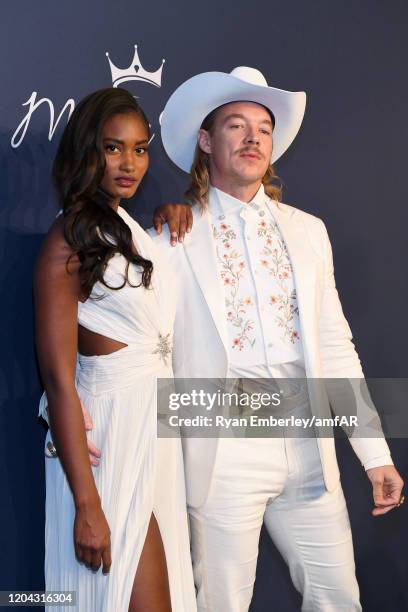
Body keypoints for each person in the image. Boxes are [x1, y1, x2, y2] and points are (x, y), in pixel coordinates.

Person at [148, 66, 404, 611]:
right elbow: (144, 345)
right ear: (205, 141)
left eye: (262, 128)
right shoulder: (171, 237)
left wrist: (375, 455)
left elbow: (336, 343)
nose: (252, 138)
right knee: (220, 604)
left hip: (309, 447)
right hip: (224, 453)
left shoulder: (308, 231)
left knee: (339, 600)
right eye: (236, 125)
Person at [34, 87, 196, 612]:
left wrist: (166, 220)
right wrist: (87, 505)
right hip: (110, 438)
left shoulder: (131, 230)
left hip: (155, 432)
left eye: (140, 148)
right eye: (113, 148)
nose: (130, 163)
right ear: (87, 151)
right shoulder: (67, 237)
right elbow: (58, 379)